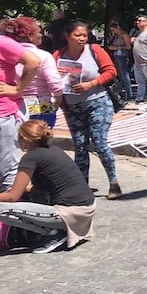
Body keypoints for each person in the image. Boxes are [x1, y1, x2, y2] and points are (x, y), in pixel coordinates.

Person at [0, 120, 96, 253]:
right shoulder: (54, 150)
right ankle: (53, 231)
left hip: (71, 212)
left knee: (1, 209)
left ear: (24, 139)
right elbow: (44, 186)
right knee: (27, 195)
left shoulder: (31, 157)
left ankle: (55, 233)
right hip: (87, 208)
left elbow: (12, 197)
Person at [53, 21, 122, 199]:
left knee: (100, 143)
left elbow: (111, 71)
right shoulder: (58, 55)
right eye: (78, 35)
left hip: (98, 103)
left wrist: (91, 84)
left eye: (84, 35)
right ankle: (82, 186)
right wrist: (55, 72)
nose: (82, 39)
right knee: (80, 146)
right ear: (67, 36)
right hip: (73, 107)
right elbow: (49, 78)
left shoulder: (95, 50)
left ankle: (114, 183)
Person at [1, 17, 63, 126]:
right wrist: (58, 101)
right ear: (30, 36)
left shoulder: (7, 54)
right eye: (39, 32)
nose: (41, 35)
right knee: (41, 139)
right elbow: (55, 84)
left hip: (17, 105)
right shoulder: (43, 56)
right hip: (42, 103)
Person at [0, 32, 41, 190]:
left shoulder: (3, 42)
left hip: (3, 114)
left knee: (7, 169)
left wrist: (18, 88)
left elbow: (33, 61)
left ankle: (9, 209)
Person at [106, 21, 133, 100]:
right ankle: (123, 93)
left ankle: (129, 93)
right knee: (120, 75)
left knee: (125, 75)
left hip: (123, 56)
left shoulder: (124, 35)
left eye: (113, 30)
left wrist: (117, 48)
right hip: (117, 56)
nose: (113, 32)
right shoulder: (117, 36)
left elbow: (128, 47)